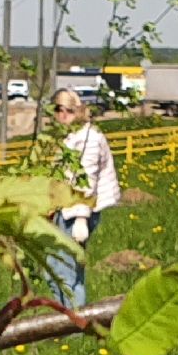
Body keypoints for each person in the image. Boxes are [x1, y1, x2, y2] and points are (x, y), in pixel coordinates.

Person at [50, 90, 121, 309]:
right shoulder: (72, 135)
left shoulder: (89, 139)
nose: (61, 116)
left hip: (76, 212)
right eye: (57, 110)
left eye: (67, 111)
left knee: (65, 272)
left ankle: (72, 328)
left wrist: (81, 217)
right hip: (65, 208)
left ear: (76, 111)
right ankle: (64, 321)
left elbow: (85, 180)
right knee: (55, 268)